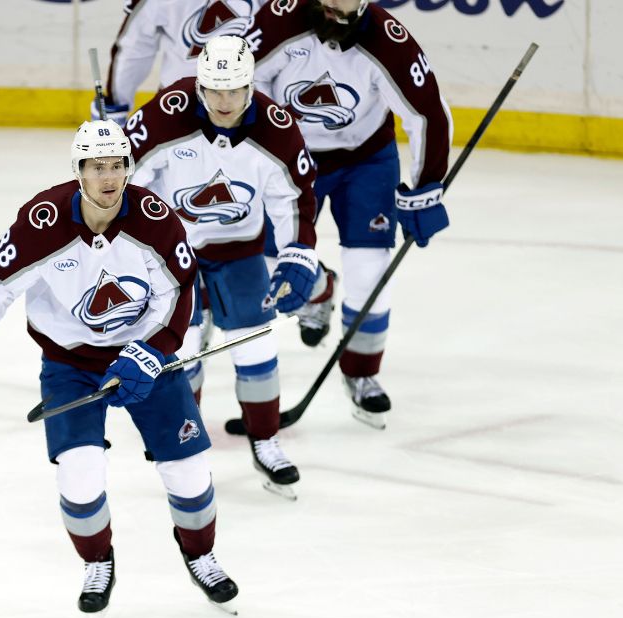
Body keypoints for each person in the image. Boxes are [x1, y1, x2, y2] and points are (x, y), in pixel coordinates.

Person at [0, 120, 238, 618]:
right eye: (96, 167)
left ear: (128, 169)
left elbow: (180, 291)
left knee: (189, 471)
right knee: (79, 477)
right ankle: (97, 560)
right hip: (70, 365)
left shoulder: (155, 218)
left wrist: (152, 350)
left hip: (145, 359)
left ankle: (201, 553)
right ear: (78, 171)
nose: (108, 177)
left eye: (116, 166)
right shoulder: (42, 222)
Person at [124, 35, 323, 495]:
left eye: (234, 90)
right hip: (176, 257)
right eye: (215, 90)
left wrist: (296, 253)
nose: (224, 101)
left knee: (255, 347)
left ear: (251, 85)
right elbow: (123, 183)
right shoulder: (165, 114)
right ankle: (183, 443)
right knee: (184, 350)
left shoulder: (277, 128)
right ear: (200, 85)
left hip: (239, 251)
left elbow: (294, 199)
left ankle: (267, 440)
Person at [250, 0, 453, 428]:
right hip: (291, 162)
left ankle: (362, 374)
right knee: (271, 265)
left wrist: (425, 189)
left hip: (366, 161)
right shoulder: (278, 20)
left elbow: (428, 114)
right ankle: (320, 290)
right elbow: (240, 88)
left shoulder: (389, 41)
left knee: (370, 272)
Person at [94, 0, 260, 124]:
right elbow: (135, 48)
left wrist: (117, 105)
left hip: (180, 103)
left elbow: (134, 49)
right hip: (188, 104)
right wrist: (116, 104)